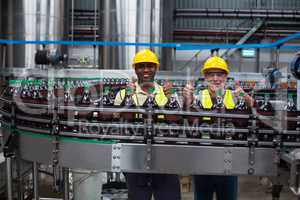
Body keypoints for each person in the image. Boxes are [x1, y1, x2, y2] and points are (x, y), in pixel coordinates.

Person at [183, 56, 254, 200]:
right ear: (205, 77)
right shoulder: (197, 97)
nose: (215, 78)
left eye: (220, 74)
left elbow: (253, 113)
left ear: (226, 77)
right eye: (211, 74)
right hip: (202, 160)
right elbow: (189, 122)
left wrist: (247, 98)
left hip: (228, 159)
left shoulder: (234, 97)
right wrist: (187, 102)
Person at [114, 49, 181, 200]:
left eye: (150, 66)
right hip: (135, 159)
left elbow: (176, 119)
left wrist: (170, 98)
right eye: (141, 66)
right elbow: (116, 120)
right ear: (135, 69)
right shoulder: (123, 94)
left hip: (165, 159)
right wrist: (128, 99)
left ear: (156, 68)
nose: (145, 70)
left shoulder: (167, 92)